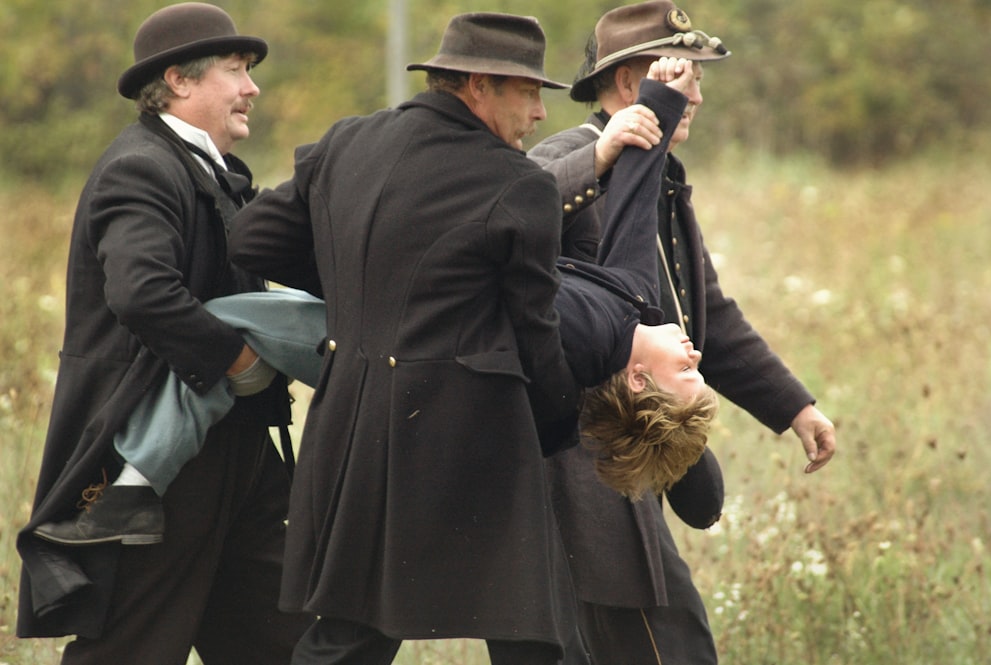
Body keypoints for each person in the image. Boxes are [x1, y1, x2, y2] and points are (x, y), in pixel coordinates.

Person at [26, 58, 722, 552]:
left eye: (687, 372)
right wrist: (661, 101)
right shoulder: (634, 298)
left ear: (638, 380)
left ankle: (133, 485)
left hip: (393, 362)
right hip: (378, 334)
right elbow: (632, 213)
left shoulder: (579, 348)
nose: (695, 353)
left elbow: (513, 307)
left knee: (233, 318)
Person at [228, 12, 585, 665]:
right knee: (539, 634)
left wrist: (360, 287)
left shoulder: (346, 141)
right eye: (529, 92)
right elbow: (538, 332)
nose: (538, 114)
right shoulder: (520, 184)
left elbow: (252, 238)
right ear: (479, 85)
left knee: (347, 635)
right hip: (473, 444)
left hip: (350, 428)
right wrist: (567, 426)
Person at [528, 2, 838, 664]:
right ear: (626, 85)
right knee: (669, 644)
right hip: (579, 474)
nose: (695, 93)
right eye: (681, 75)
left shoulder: (663, 175)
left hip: (634, 452)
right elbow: (516, 206)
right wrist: (603, 157)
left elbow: (707, 318)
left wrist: (794, 406)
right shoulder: (572, 152)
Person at [16, 3, 311, 663]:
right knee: (133, 645)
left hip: (233, 449)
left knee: (286, 643)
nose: (251, 86)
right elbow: (142, 291)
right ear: (179, 80)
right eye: (236, 69)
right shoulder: (141, 165)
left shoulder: (214, 171)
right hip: (165, 460)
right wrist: (238, 360)